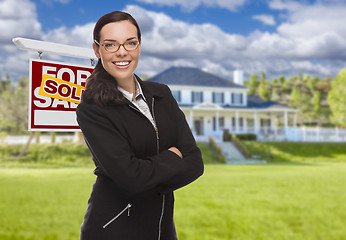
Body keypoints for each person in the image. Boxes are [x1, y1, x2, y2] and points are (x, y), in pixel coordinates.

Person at [76, 11, 204, 240]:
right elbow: (131, 177)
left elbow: (195, 162)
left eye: (130, 43)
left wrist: (146, 178)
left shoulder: (161, 94)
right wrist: (174, 157)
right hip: (112, 230)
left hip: (162, 230)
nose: (122, 52)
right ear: (97, 50)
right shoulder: (92, 109)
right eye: (110, 45)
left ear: (139, 46)